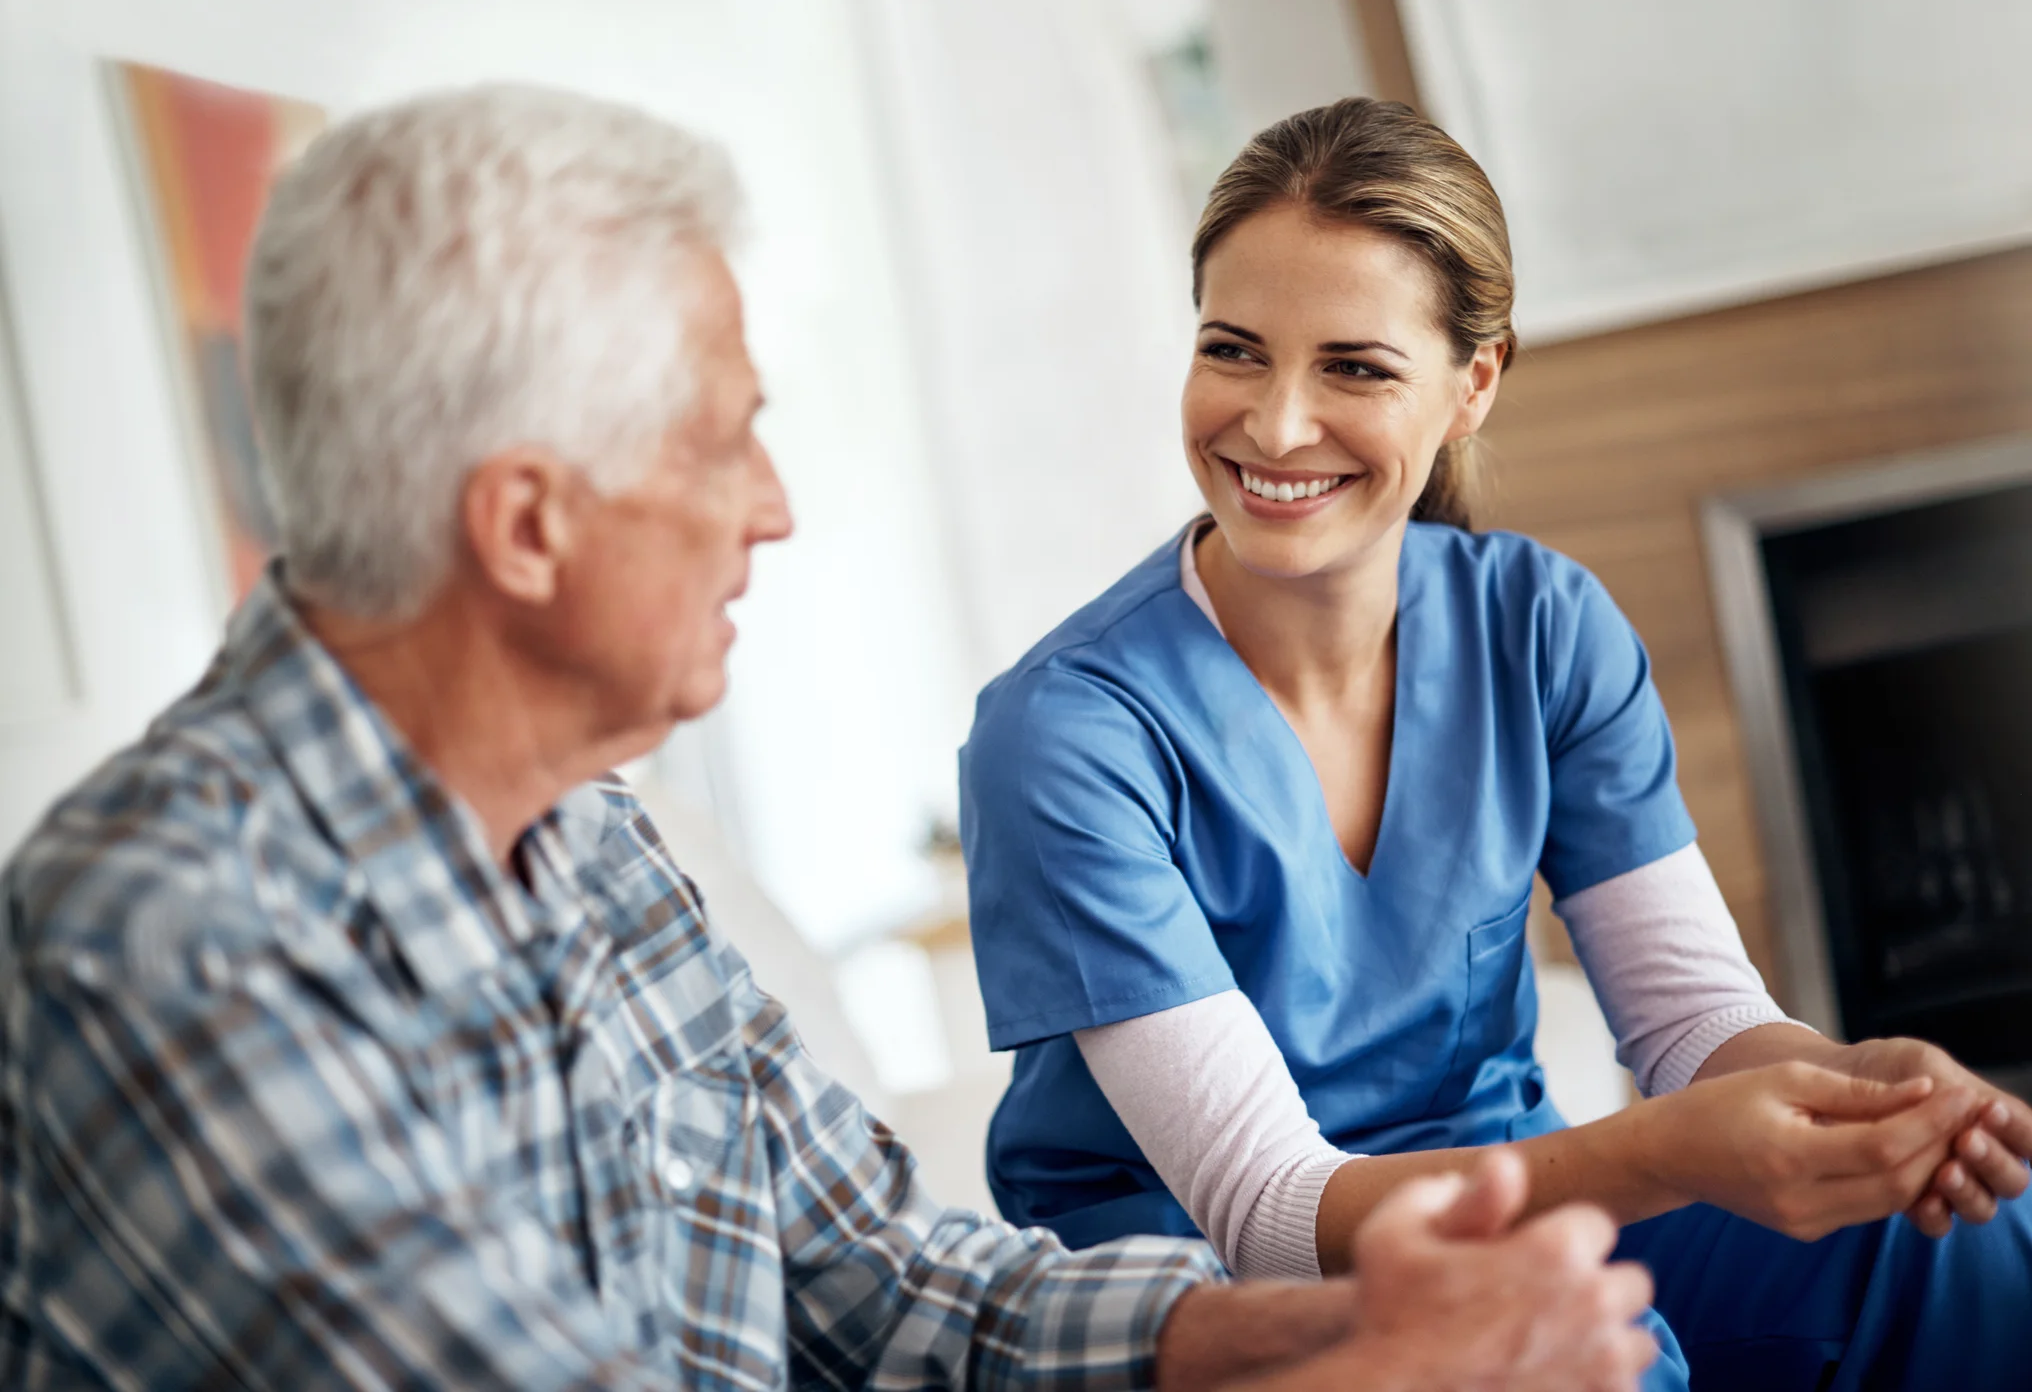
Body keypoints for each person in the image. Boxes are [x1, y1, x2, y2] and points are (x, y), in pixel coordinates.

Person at [0, 84, 1659, 1392]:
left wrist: (1317, 1334)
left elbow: (889, 1283)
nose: (776, 512)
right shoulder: (164, 940)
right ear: (525, 528)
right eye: (729, 443)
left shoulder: (596, 848)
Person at [959, 97, 2032, 1391]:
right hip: (1222, 1285)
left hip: (1519, 1194)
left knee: (1961, 1241)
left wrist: (1866, 1098)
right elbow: (1266, 1206)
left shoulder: (1538, 627)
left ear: (1473, 384)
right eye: (1234, 351)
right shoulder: (1066, 736)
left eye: (1353, 367)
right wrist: (1674, 1151)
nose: (1276, 424)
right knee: (1604, 1362)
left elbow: (1693, 1023)